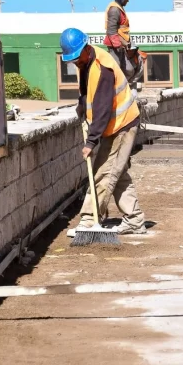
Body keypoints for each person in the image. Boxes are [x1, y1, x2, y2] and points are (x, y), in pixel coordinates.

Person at [61, 27, 147, 236]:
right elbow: (87, 92)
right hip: (112, 125)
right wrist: (82, 104)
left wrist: (90, 142)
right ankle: (134, 220)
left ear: (85, 48)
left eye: (76, 57)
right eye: (71, 59)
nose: (74, 62)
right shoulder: (86, 61)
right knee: (117, 172)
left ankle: (90, 219)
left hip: (121, 125)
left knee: (104, 173)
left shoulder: (102, 68)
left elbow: (102, 109)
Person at [104, 0, 143, 94]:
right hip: (115, 47)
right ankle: (114, 94)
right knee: (116, 71)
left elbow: (122, 30)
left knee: (129, 69)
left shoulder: (119, 9)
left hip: (122, 47)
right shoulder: (114, 10)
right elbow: (111, 31)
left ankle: (123, 90)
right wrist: (118, 46)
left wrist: (127, 45)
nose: (128, 1)